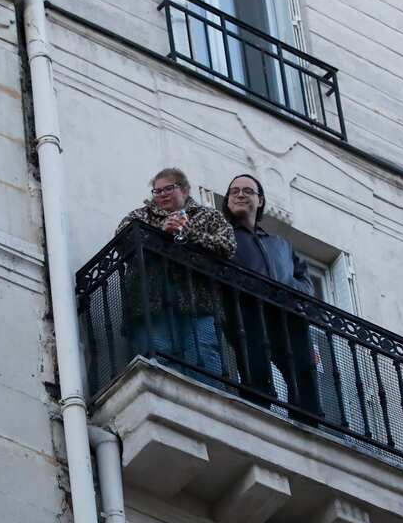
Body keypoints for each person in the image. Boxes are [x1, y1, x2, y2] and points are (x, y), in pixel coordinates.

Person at [222, 173, 331, 425]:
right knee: (256, 373)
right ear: (227, 201)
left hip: (289, 316)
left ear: (260, 201)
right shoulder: (224, 236)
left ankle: (309, 428)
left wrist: (289, 289)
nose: (239, 194)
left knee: (304, 375)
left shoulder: (280, 244)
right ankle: (258, 423)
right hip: (247, 313)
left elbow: (305, 280)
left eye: (247, 191)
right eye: (234, 191)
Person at [116, 168, 235, 381]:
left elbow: (228, 247)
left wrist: (189, 233)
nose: (162, 194)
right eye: (157, 191)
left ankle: (205, 403)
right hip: (150, 300)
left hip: (199, 299)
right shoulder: (139, 216)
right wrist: (160, 232)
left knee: (203, 353)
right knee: (158, 354)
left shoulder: (208, 216)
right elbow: (123, 243)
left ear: (185, 189)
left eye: (168, 189)